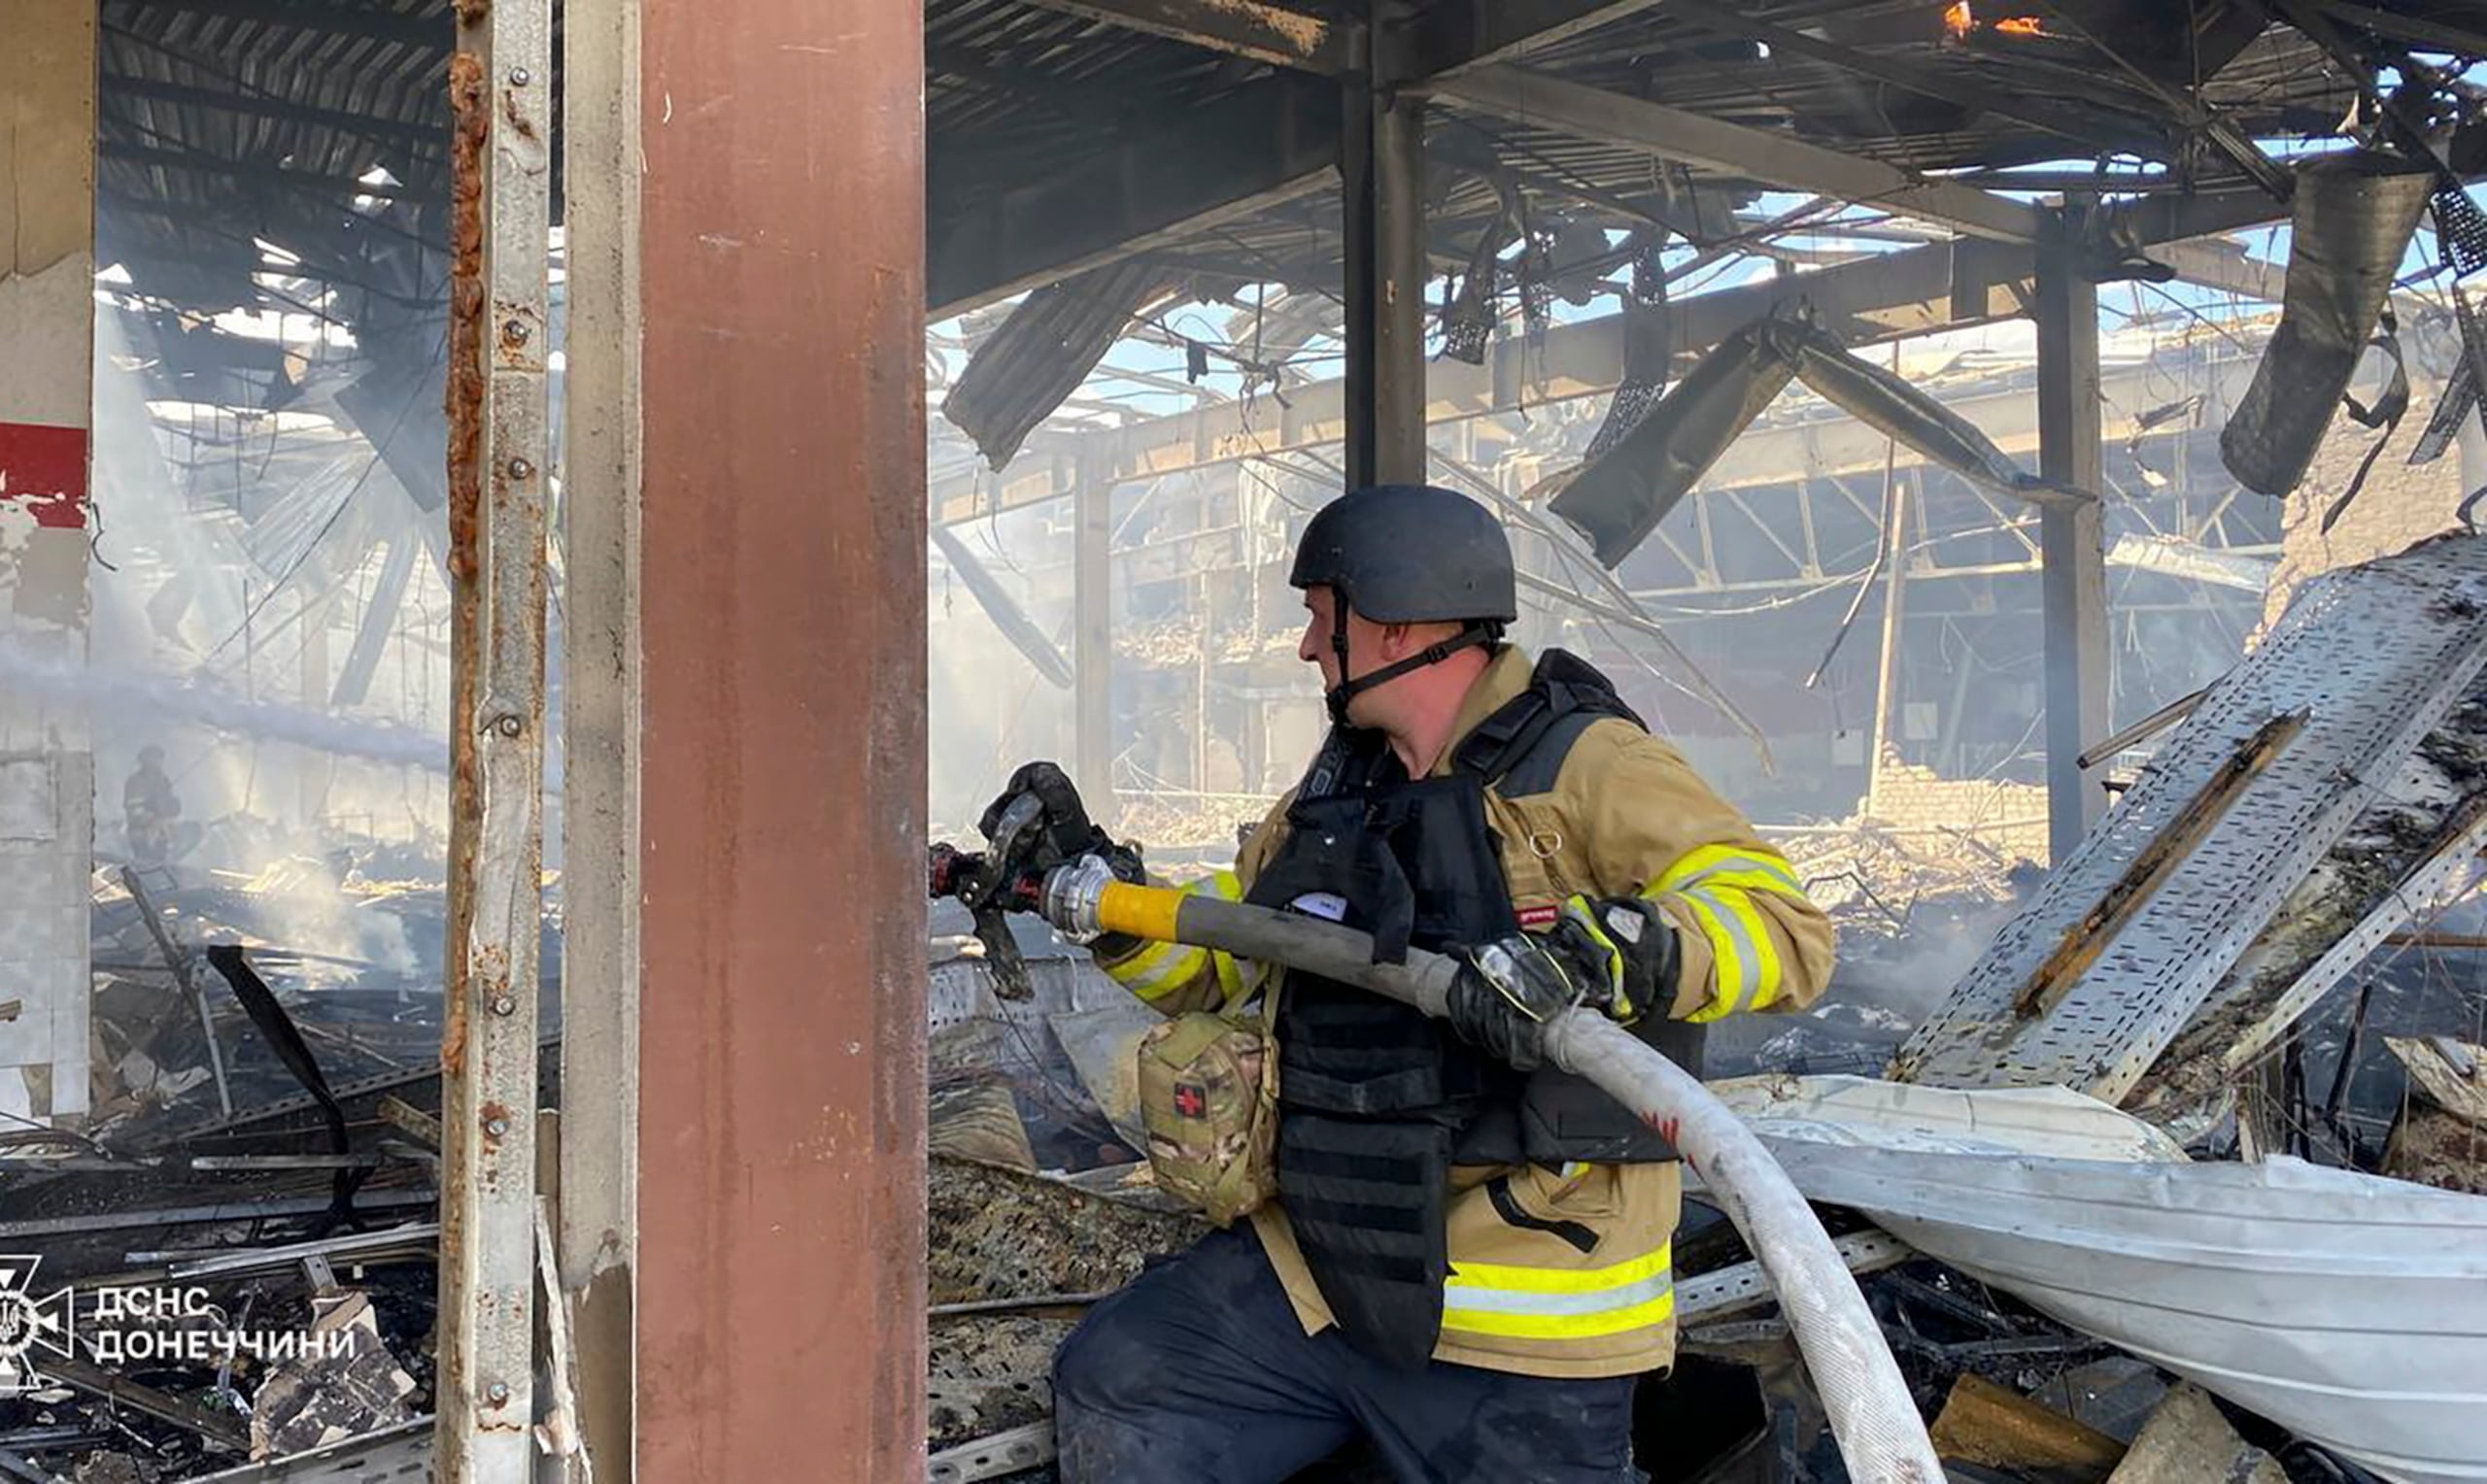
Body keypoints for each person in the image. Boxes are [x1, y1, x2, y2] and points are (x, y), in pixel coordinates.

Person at [987, 484, 1834, 1483]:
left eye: (1318, 615)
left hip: (1526, 1302)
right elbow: (1224, 960)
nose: (1307, 647)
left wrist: (1616, 951)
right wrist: (1100, 895)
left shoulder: (1586, 765)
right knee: (1127, 1379)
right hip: (1327, 1260)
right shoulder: (1340, 787)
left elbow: (1785, 929)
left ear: (1388, 619)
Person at [123, 745, 184, 867]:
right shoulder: (135, 781)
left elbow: (170, 808)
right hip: (141, 835)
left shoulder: (164, 780)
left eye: (159, 758)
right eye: (152, 758)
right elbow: (134, 810)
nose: (156, 762)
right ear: (143, 760)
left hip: (162, 835)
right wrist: (152, 818)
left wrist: (171, 808)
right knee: (145, 866)